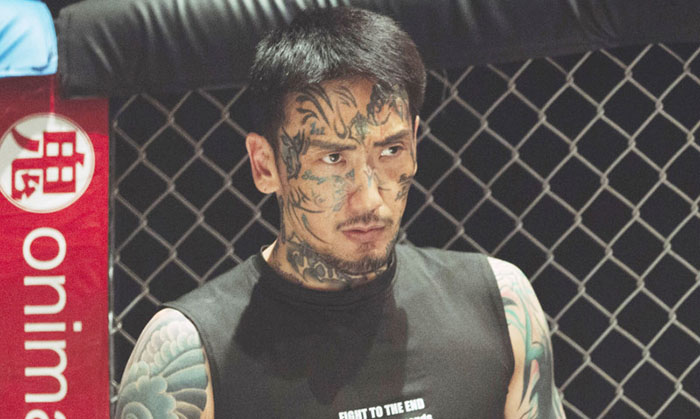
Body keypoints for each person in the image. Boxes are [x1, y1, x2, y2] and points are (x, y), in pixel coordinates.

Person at [115, 7, 565, 419]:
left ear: (414, 142)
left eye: (390, 151)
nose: (368, 199)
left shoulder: (500, 306)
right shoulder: (188, 354)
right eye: (333, 159)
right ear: (265, 165)